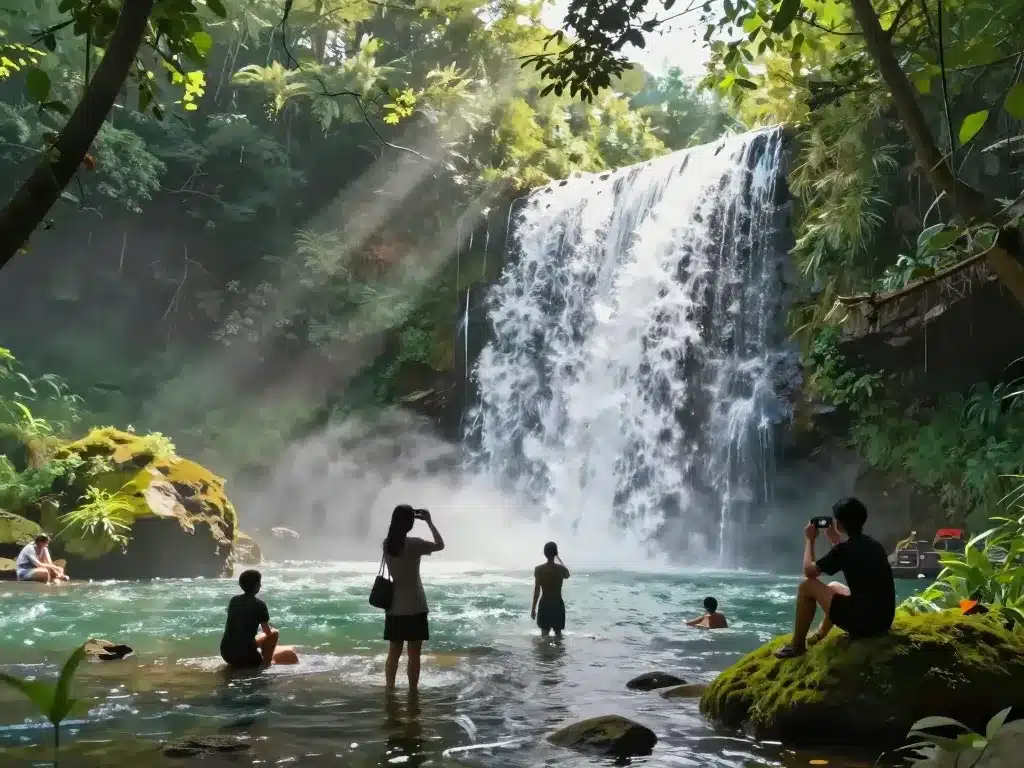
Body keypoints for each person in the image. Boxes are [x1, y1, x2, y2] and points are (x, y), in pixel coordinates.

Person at [775, 497, 895, 659]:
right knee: (834, 587)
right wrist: (836, 543)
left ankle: (797, 645)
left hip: (863, 624)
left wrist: (809, 540)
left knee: (807, 586)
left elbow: (809, 572)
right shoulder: (874, 545)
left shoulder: (844, 550)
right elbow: (849, 558)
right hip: (883, 622)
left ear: (838, 524)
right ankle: (820, 634)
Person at [383, 505, 445, 692]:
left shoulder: (387, 544)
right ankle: (412, 693)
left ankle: (390, 689)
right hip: (415, 605)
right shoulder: (415, 544)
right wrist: (429, 521)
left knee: (394, 652)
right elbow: (440, 545)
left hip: (394, 605)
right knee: (414, 655)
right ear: (411, 523)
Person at [220, 569, 299, 669]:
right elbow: (267, 632)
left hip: (226, 654)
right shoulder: (259, 604)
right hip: (247, 658)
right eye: (259, 583)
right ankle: (266, 664)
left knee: (246, 639)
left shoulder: (234, 600)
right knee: (274, 633)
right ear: (257, 586)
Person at [531, 542, 569, 638]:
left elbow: (537, 590)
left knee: (544, 635)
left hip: (545, 604)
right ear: (555, 553)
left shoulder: (539, 569)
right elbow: (567, 575)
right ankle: (559, 653)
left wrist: (533, 608)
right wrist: (559, 559)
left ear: (544, 553)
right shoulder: (561, 569)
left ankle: (544, 652)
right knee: (558, 635)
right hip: (557, 604)